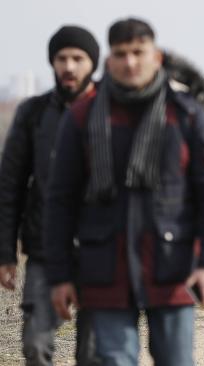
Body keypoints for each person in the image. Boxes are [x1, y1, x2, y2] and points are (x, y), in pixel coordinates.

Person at [44, 18, 204, 365]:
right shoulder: (83, 117)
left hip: (174, 267)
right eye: (121, 53)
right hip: (104, 268)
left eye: (138, 52)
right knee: (114, 360)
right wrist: (59, 275)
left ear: (156, 57)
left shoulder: (186, 115)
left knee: (175, 360)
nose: (130, 62)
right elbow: (60, 201)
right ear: (108, 61)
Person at [0, 25, 100, 366]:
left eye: (78, 58)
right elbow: (10, 185)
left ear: (92, 63)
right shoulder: (34, 113)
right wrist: (5, 253)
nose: (69, 66)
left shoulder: (114, 110)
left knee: (93, 352)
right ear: (52, 62)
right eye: (61, 58)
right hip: (45, 247)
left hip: (100, 248)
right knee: (35, 345)